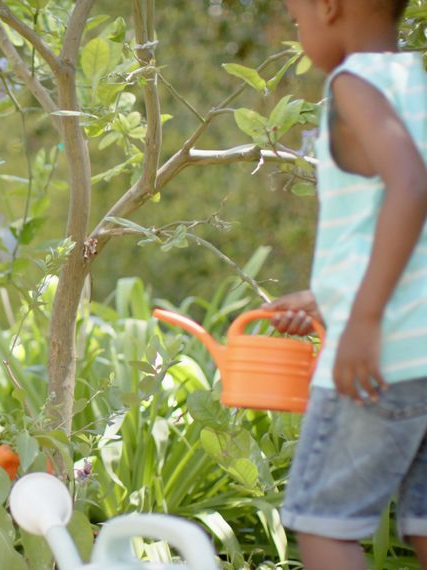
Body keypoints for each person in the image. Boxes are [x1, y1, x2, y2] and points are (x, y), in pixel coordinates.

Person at [264, 1, 427, 568]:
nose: (299, 30)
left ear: (326, 7)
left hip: (383, 357)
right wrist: (328, 298)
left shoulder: (353, 82)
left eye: (295, 18)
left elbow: (409, 186)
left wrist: (363, 318)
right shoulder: (418, 83)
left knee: (323, 524)